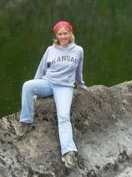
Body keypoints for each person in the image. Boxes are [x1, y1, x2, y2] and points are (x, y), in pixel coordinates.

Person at [16, 21, 87, 168]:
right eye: (60, 34)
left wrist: (81, 85)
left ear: (70, 33)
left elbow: (78, 71)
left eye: (65, 33)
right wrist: (35, 91)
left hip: (65, 87)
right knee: (27, 86)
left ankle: (68, 151)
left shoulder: (78, 50)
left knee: (63, 116)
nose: (63, 36)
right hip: (48, 83)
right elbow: (41, 69)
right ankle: (26, 121)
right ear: (56, 35)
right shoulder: (51, 50)